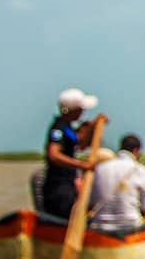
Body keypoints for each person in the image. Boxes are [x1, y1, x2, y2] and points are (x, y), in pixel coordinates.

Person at [41, 88, 103, 219]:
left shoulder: (67, 128)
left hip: (68, 185)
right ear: (73, 110)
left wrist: (94, 125)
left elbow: (79, 141)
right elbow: (54, 154)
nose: (83, 112)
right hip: (59, 187)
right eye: (81, 109)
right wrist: (81, 165)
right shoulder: (58, 129)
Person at [88, 134, 145, 236]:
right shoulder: (140, 170)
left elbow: (91, 202)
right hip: (130, 226)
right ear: (136, 150)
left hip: (99, 225)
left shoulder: (100, 168)